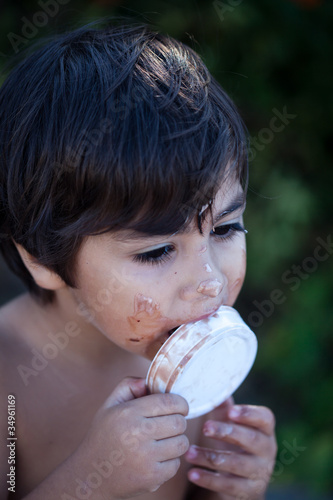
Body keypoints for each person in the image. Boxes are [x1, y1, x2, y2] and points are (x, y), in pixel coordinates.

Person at [0, 21, 277, 500]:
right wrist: (92, 480)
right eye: (156, 251)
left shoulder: (193, 363)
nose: (209, 282)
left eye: (226, 229)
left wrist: (228, 487)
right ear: (42, 259)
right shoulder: (8, 388)